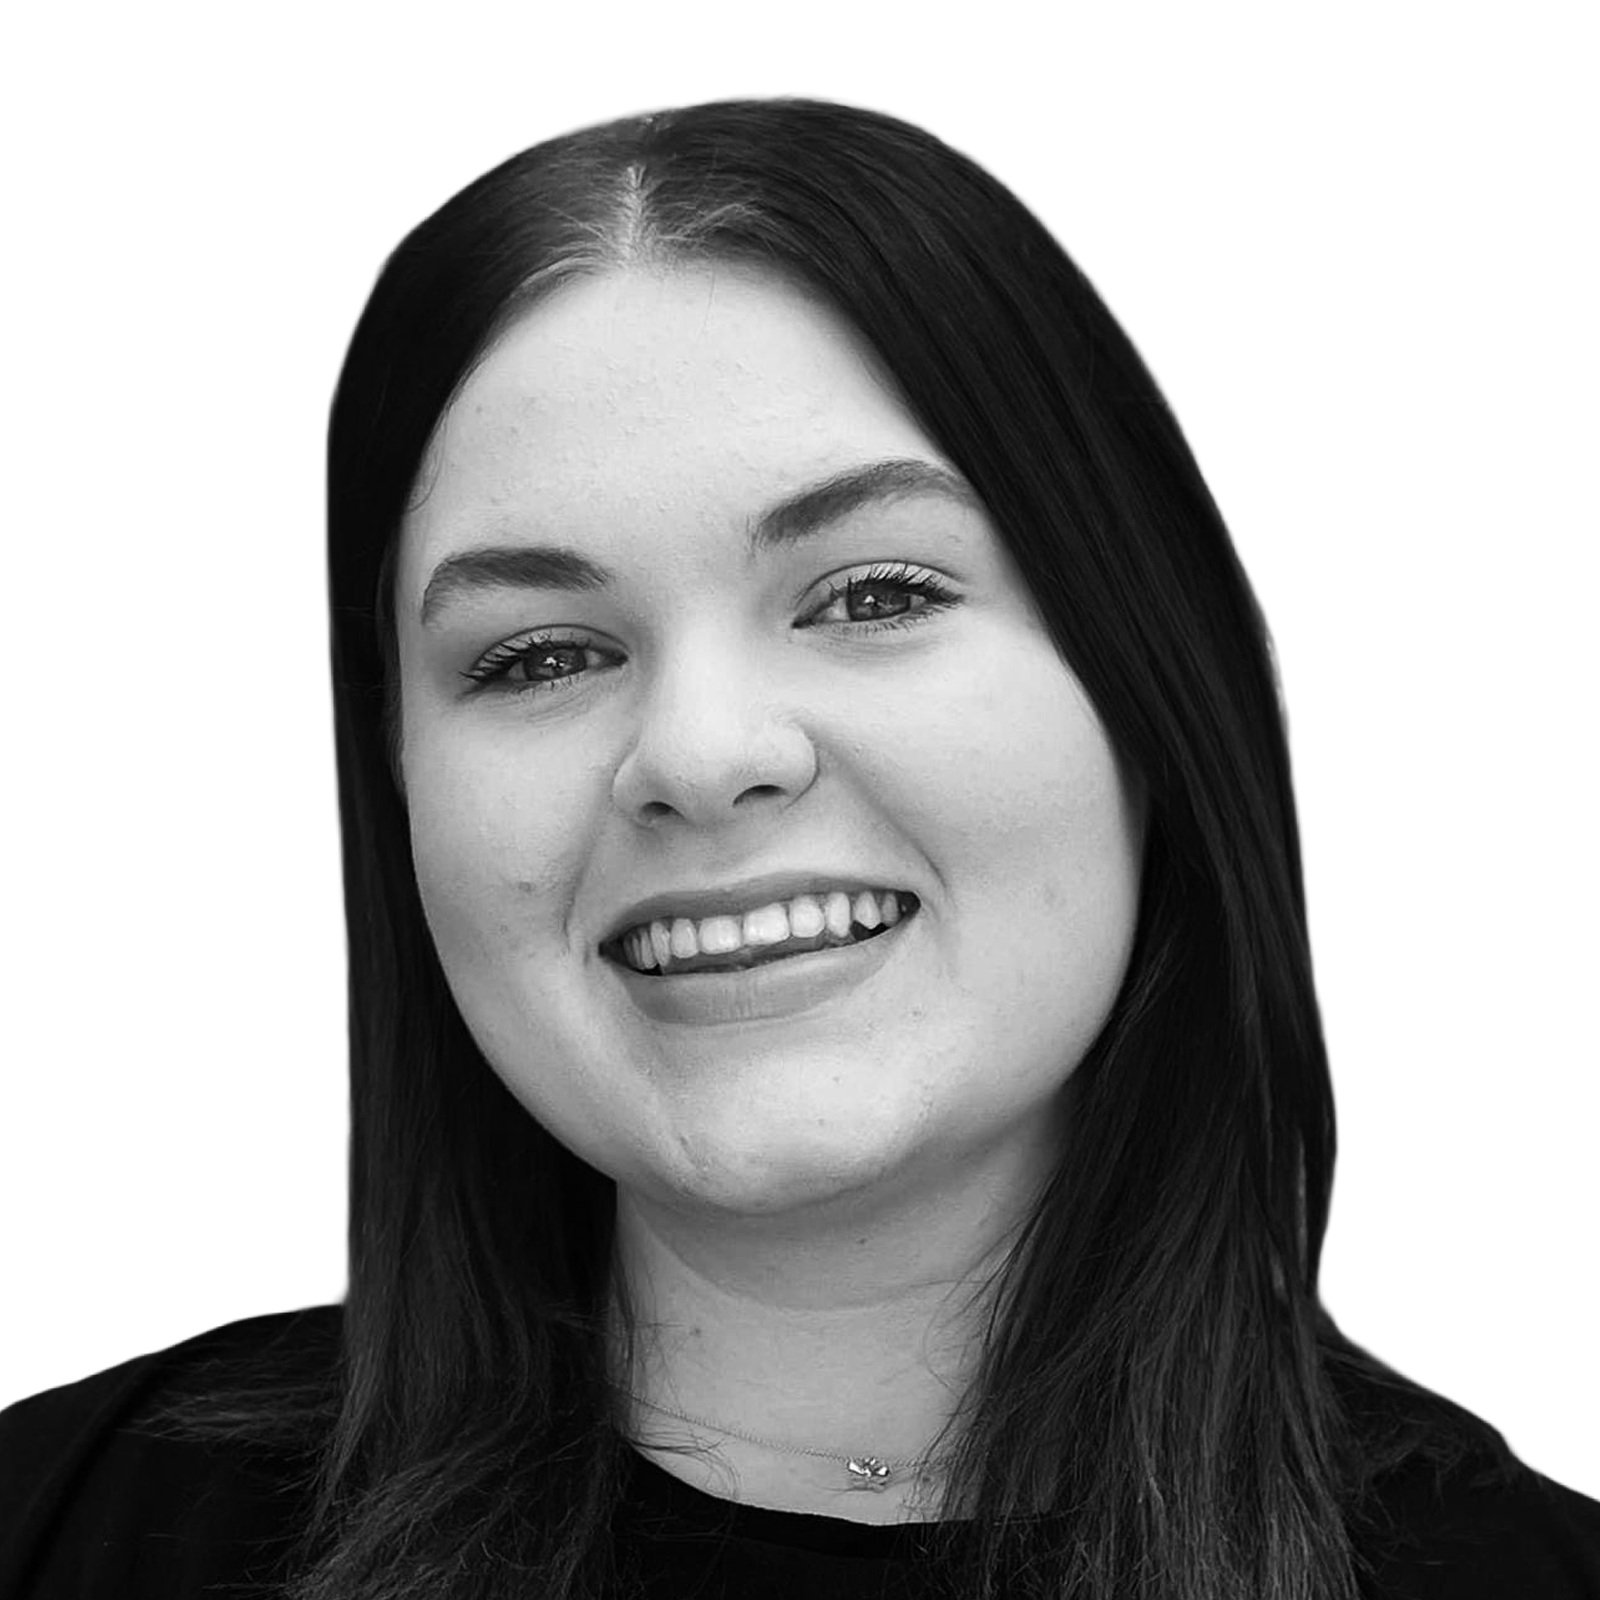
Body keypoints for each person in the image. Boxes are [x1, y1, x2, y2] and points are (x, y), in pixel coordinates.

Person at [2, 95, 1596, 1600]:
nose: (701, 755)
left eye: (876, 594)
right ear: (402, 779)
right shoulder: (60, 1529)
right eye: (537, 656)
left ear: (1149, 688)